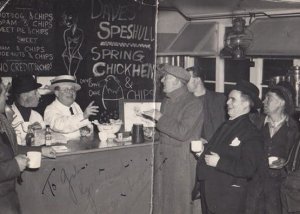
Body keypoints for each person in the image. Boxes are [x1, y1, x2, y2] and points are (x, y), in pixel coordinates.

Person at [195, 80, 265, 214]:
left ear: (245, 104)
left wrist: (219, 162)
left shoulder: (251, 132)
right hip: (211, 193)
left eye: (233, 100)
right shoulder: (226, 125)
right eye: (228, 99)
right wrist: (202, 152)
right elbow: (219, 151)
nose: (227, 103)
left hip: (227, 197)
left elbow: (248, 168)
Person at [143, 64, 204, 214]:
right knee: (161, 200)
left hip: (181, 163)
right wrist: (154, 132)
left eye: (166, 77)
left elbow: (182, 132)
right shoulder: (167, 101)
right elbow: (166, 130)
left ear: (177, 81)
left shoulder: (194, 103)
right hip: (163, 158)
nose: (162, 80)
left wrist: (159, 117)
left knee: (179, 204)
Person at [0, 77, 55, 213]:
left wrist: (40, 150)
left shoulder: (2, 120)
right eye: (2, 93)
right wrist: (14, 165)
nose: (6, 97)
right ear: (24, 95)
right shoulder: (7, 117)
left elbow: (12, 148)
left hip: (8, 194)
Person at [248, 82, 300, 214]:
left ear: (282, 102)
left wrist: (286, 163)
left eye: (269, 98)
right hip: (254, 188)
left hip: (279, 192)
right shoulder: (254, 123)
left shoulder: (295, 130)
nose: (263, 101)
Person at [186, 66, 227, 213]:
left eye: (187, 79)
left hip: (217, 159)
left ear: (197, 80)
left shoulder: (220, 100)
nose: (184, 83)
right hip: (194, 157)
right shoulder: (186, 103)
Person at [44, 75, 99, 140]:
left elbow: (86, 125)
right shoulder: (50, 109)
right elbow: (60, 126)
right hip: (60, 148)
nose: (70, 92)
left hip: (79, 146)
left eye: (72, 89)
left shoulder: (75, 105)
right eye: (66, 89)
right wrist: (83, 116)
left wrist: (86, 129)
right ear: (57, 93)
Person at [9, 75, 45, 145]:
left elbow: (45, 140)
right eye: (36, 92)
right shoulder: (7, 116)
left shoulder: (37, 116)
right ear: (24, 95)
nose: (39, 95)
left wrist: (40, 133)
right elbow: (13, 148)